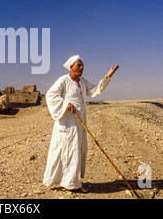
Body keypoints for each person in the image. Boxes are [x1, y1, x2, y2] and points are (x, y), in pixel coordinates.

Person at [43, 54, 119, 193]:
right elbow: (50, 95)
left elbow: (95, 91)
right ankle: (69, 183)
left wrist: (107, 77)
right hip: (67, 123)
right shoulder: (63, 80)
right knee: (65, 150)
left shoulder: (82, 82)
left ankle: (71, 181)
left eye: (82, 65)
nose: (82, 67)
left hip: (79, 123)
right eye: (79, 65)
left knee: (75, 151)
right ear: (71, 67)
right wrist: (65, 104)